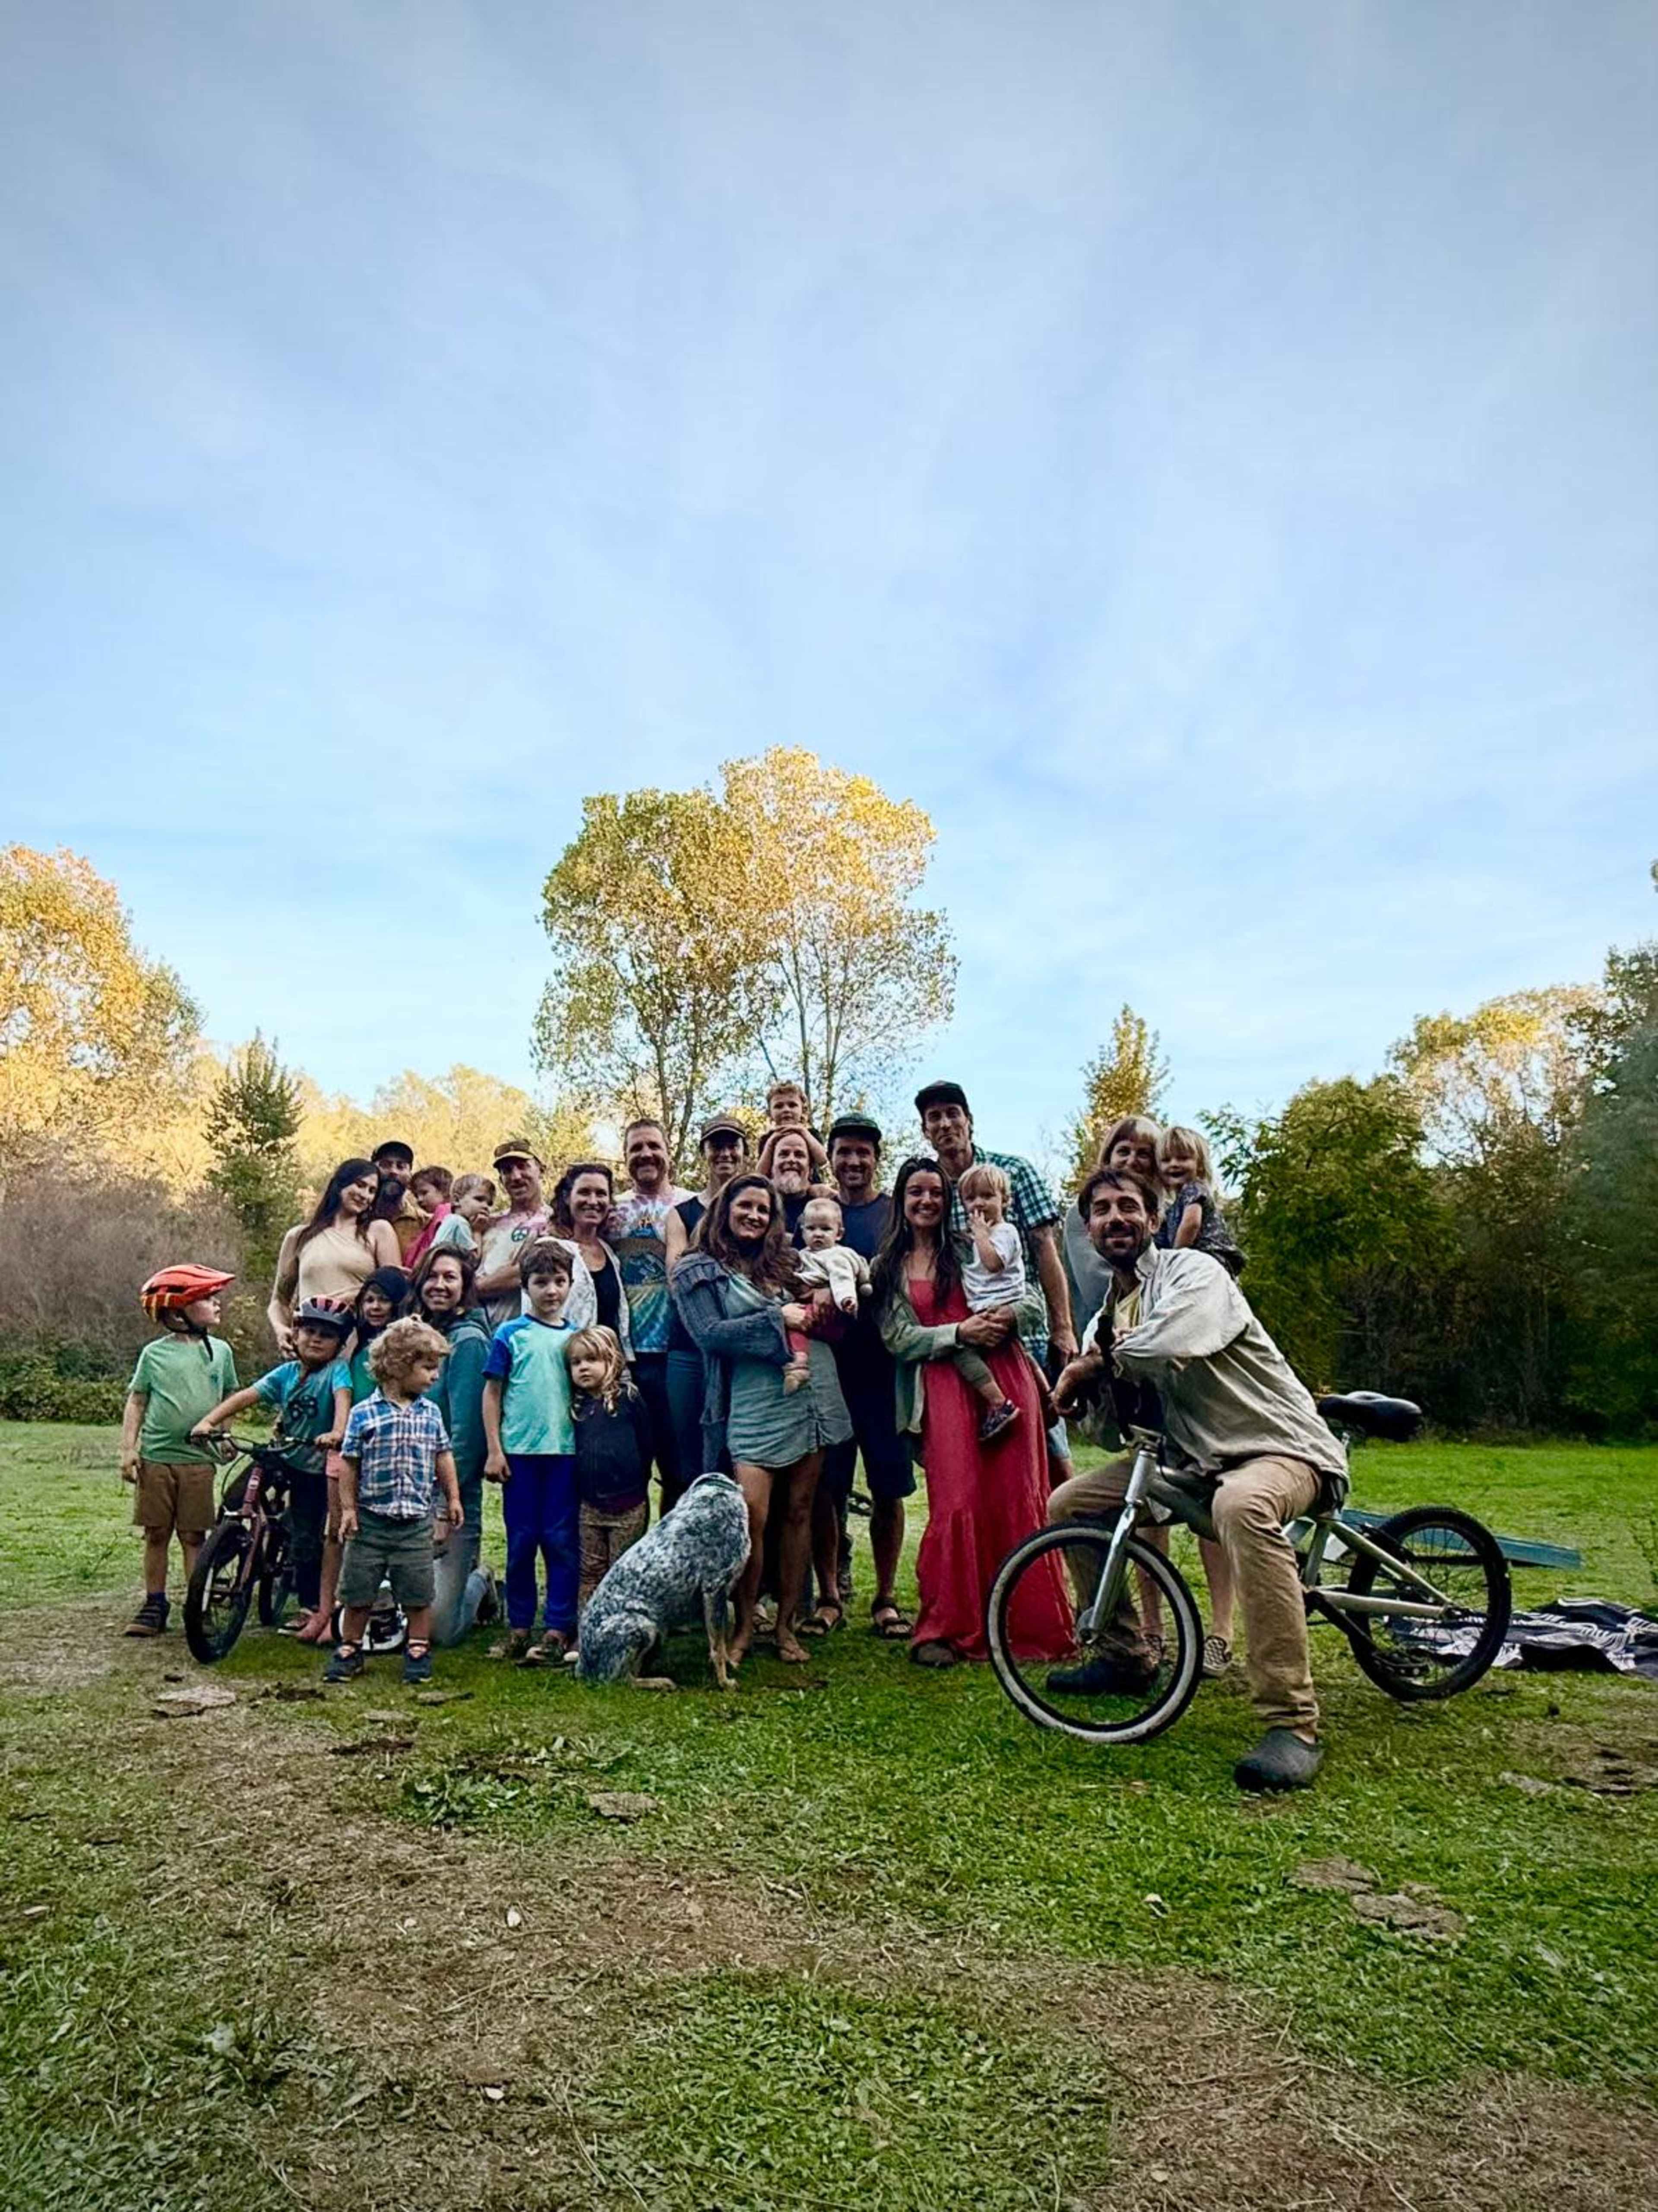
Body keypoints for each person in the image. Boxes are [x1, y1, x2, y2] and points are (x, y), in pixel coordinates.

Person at [1049, 1166, 1346, 1793]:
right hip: (1194, 1461)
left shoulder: (1196, 1272)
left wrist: (1090, 1366)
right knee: (1070, 1504)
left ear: (1154, 1220)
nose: (1115, 1218)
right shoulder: (1108, 1314)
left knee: (1242, 1506)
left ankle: (1293, 1723)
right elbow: (1119, 1429)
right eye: (1100, 1210)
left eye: (1128, 1206)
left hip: (1280, 1449)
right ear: (1090, 1230)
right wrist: (1087, 1401)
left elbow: (1172, 1340)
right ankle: (1126, 1656)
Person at [875, 1158, 1071, 1669]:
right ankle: (948, 1626)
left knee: (1016, 1494)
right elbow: (898, 1338)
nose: (926, 1201)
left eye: (936, 1193)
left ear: (949, 1201)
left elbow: (1031, 1299)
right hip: (943, 1385)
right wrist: (959, 1333)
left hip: (1005, 1373)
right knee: (957, 1500)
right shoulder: (889, 1266)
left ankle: (1028, 1623)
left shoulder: (973, 1244)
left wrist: (1005, 1317)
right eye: (916, 1192)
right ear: (901, 1200)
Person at [670, 1174, 848, 1665]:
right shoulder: (696, 1269)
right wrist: (778, 1319)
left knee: (800, 1511)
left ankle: (786, 1627)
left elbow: (829, 1306)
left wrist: (824, 1306)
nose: (754, 1216)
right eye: (745, 1206)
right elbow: (710, 1334)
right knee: (752, 1515)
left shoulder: (789, 1261)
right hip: (750, 1398)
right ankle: (745, 1626)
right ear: (725, 1209)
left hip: (809, 1389)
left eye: (764, 1210)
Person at [193, 1296, 354, 1641]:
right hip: (284, 1452)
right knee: (236, 1499)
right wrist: (209, 1422)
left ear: (340, 1344)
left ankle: (309, 1605)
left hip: (314, 1465)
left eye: (327, 1335)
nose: (316, 1339)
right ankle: (220, 1557)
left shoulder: (337, 1371)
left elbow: (343, 1398)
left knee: (307, 1537)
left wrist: (338, 1432)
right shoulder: (287, 1373)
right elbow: (246, 1397)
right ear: (295, 1334)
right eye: (310, 1331)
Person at [813, 1114, 915, 1641]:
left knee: (888, 1487)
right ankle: (829, 1597)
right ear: (830, 1157)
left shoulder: (896, 1214)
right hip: (828, 1371)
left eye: (863, 1153)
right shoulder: (818, 1213)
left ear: (876, 1158)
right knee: (826, 1489)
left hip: (883, 1369)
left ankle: (886, 1598)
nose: (853, 1161)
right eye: (844, 1152)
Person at [326, 1317, 463, 1686]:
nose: (435, 1376)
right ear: (400, 1366)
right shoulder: (364, 1414)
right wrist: (349, 1509)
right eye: (428, 1367)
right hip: (371, 1522)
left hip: (415, 1522)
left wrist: (452, 1498)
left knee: (418, 1591)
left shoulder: (431, 1414)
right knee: (358, 1589)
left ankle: (418, 1648)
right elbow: (349, 1464)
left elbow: (443, 1456)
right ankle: (351, 1648)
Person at [914, 1081, 1076, 1370]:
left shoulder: (1014, 1172)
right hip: (968, 1340)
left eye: (953, 1113)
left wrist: (1063, 1328)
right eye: (935, 1117)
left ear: (969, 1120)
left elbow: (1045, 1249)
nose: (945, 1124)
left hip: (1026, 1331)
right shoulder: (929, 1193)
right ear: (926, 1131)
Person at [120, 1265, 239, 1637]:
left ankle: (197, 1605)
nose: (217, 1304)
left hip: (198, 1462)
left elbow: (230, 1396)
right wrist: (128, 1449)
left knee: (193, 1536)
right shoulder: (154, 1355)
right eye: (207, 1299)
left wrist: (225, 1434)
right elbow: (138, 1401)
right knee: (156, 1533)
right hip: (157, 1458)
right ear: (177, 1312)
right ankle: (155, 1604)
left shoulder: (221, 1352)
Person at [481, 1239, 579, 1662]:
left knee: (561, 1541)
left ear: (571, 1285)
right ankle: (519, 1625)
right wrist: (495, 1449)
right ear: (526, 1287)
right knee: (521, 1541)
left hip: (565, 1454)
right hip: (519, 1454)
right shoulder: (510, 1335)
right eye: (541, 1282)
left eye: (559, 1281)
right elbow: (492, 1393)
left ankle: (558, 1626)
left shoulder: (577, 1339)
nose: (551, 1291)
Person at [662, 1113, 750, 1501]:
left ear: (745, 1152)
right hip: (689, 1349)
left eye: (733, 1145)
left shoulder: (755, 1208)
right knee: (690, 1461)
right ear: (704, 1152)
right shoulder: (682, 1213)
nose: (725, 1153)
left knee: (739, 1460)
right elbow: (678, 1278)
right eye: (717, 1145)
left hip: (743, 1352)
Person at [412, 1246, 495, 1645]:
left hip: (448, 1491)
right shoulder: (413, 1336)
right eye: (432, 1276)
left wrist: (448, 1503)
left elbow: (467, 1435)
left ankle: (482, 1580)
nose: (439, 1285)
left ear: (465, 1287)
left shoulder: (469, 1342)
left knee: (437, 1630)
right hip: (403, 1487)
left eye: (450, 1278)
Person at [606, 1119, 689, 1510]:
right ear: (625, 1157)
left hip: (678, 1353)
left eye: (653, 1146)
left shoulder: (690, 1206)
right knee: (628, 1470)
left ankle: (674, 1545)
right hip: (625, 1357)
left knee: (679, 1469)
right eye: (636, 1148)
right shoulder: (611, 1210)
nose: (646, 1154)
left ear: (668, 1151)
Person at [267, 1160, 402, 1352]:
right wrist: (281, 1329)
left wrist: (349, 1298)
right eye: (360, 1185)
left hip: (360, 1343)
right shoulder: (299, 1237)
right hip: (310, 1342)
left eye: (372, 1191)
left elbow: (395, 1291)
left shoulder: (378, 1231)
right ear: (340, 1184)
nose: (365, 1195)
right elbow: (279, 1301)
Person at [566, 1326, 653, 1614]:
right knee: (590, 1570)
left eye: (592, 1360)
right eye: (576, 1363)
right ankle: (588, 1626)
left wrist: (638, 1485)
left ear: (611, 1360)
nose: (584, 1368)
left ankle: (620, 1626)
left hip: (629, 1506)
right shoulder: (577, 1406)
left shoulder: (629, 1399)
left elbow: (646, 1444)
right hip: (590, 1506)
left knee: (622, 1571)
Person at [1063, 1116, 1161, 1350]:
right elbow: (1097, 1289)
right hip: (1106, 1340)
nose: (1132, 1161)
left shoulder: (1166, 1212)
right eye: (1124, 1151)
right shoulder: (1085, 1214)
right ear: (1109, 1158)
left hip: (1158, 1338)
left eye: (1144, 1154)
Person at [952, 1161, 1029, 1441]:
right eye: (971, 1198)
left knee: (960, 1351)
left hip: (999, 1306)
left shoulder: (1005, 1232)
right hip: (986, 1306)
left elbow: (993, 1263)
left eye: (987, 1196)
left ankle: (999, 1404)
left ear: (1004, 1200)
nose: (979, 1204)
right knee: (1019, 1353)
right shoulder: (979, 1237)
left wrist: (982, 1236)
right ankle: (1046, 1392)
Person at [550, 1161, 633, 1350]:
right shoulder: (552, 1249)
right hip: (565, 1360)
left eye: (601, 1194)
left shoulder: (610, 1253)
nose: (593, 1201)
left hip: (608, 1362)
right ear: (567, 1197)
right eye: (584, 1192)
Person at [475, 1139, 552, 1330]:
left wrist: (472, 1290)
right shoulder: (486, 1223)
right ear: (501, 1180)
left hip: (522, 1334)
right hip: (478, 1332)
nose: (516, 1177)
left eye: (523, 1167)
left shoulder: (554, 1222)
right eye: (507, 1171)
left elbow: (528, 1271)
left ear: (541, 1170)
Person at [1155, 1125, 1244, 1276]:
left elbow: (1192, 1224)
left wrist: (1174, 1258)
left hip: (1210, 1258)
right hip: (1197, 1262)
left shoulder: (1194, 1188)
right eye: (1166, 1160)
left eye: (1183, 1158)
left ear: (1200, 1167)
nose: (1174, 1164)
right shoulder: (1174, 1205)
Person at [347, 1267, 411, 1401]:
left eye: (384, 1300)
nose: (375, 1307)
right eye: (369, 1300)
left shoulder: (407, 1348)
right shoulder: (357, 1347)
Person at [757, 1079, 829, 1182]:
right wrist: (771, 1143)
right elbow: (760, 1175)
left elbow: (823, 1161)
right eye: (779, 1106)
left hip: (810, 1186)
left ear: (803, 1110)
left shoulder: (812, 1135)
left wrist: (803, 1132)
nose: (786, 1110)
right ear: (770, 1113)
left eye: (792, 1105)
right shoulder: (767, 1139)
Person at [371, 1139, 426, 1263]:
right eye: (386, 1165)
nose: (393, 1171)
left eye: (401, 1167)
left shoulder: (423, 1223)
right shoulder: (355, 1218)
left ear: (410, 1175)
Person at [426, 1172, 495, 1261]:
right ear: (457, 1200)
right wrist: (477, 1231)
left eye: (489, 1204)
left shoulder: (450, 1220)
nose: (486, 1206)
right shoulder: (460, 1223)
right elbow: (473, 1260)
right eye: (479, 1199)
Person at [764, 1127, 817, 1239]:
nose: (791, 1160)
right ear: (771, 1166)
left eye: (799, 1155)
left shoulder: (823, 1207)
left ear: (810, 1168)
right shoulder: (758, 1206)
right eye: (784, 1154)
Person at [403, 1166, 457, 1271]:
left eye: (424, 1193)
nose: (419, 1200)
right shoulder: (433, 1219)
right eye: (417, 1196)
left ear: (444, 1191)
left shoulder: (445, 1212)